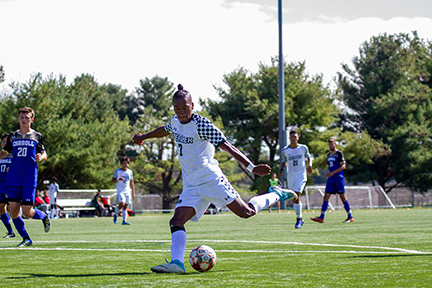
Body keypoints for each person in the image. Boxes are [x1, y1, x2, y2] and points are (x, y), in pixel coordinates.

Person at [133, 84, 298, 273]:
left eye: (185, 108)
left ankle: (277, 194)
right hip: (192, 184)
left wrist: (252, 167)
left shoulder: (202, 125)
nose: (181, 112)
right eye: (177, 109)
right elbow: (166, 128)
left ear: (192, 106)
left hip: (211, 180)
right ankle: (177, 264)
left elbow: (228, 146)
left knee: (246, 212)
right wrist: (144, 137)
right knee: (176, 221)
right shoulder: (175, 121)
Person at [0, 107, 51, 247]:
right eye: (22, 117)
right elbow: (4, 152)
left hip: (29, 177)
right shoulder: (12, 136)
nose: (24, 120)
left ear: (31, 119)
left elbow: (44, 153)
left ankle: (44, 216)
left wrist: (41, 157)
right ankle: (26, 238)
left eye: (27, 118)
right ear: (18, 119)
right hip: (13, 177)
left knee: (27, 211)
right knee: (14, 209)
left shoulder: (36, 136)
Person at [311, 138, 354, 223]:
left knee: (342, 197)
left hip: (338, 178)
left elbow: (343, 166)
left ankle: (350, 216)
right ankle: (321, 217)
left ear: (335, 144)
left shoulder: (339, 153)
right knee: (326, 196)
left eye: (332, 144)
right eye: (329, 144)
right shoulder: (328, 155)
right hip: (331, 179)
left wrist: (333, 173)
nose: (331, 146)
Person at [279, 130, 313, 229]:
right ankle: (300, 218)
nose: (293, 138)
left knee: (297, 195)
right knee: (294, 197)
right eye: (292, 137)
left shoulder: (303, 148)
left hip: (301, 175)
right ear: (289, 138)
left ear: (298, 138)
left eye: (295, 136)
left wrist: (310, 165)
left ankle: (299, 219)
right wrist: (281, 170)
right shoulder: (285, 150)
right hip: (291, 176)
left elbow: (308, 157)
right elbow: (284, 161)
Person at [112, 156, 135, 225]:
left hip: (127, 190)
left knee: (125, 206)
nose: (125, 164)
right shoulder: (117, 171)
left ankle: (124, 221)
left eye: (126, 163)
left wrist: (133, 192)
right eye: (123, 163)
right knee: (121, 204)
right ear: (121, 164)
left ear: (128, 164)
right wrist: (118, 179)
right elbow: (113, 180)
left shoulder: (130, 172)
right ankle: (116, 214)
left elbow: (131, 182)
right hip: (120, 190)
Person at [0, 133, 15, 238]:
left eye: (7, 142)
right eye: (4, 142)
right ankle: (10, 231)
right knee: (1, 208)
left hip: (11, 184)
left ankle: (22, 231)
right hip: (1, 185)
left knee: (13, 208)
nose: (5, 144)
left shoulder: (14, 155)